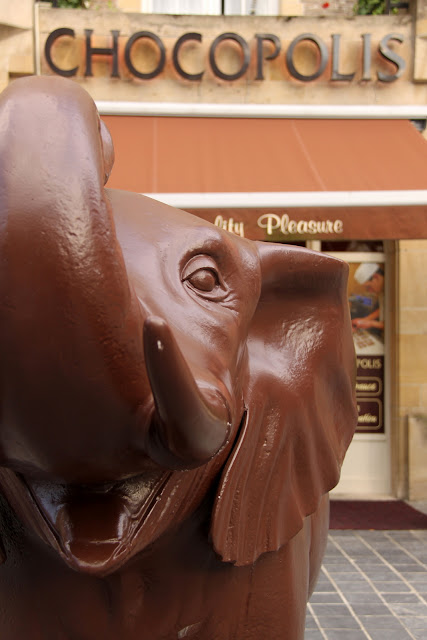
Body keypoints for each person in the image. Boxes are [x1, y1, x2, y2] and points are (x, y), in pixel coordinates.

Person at [351, 263, 384, 332]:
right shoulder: (382, 291)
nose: (370, 291)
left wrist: (371, 323)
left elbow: (397, 324)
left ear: (376, 277)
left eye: (369, 287)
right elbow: (382, 310)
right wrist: (364, 320)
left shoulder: (395, 289)